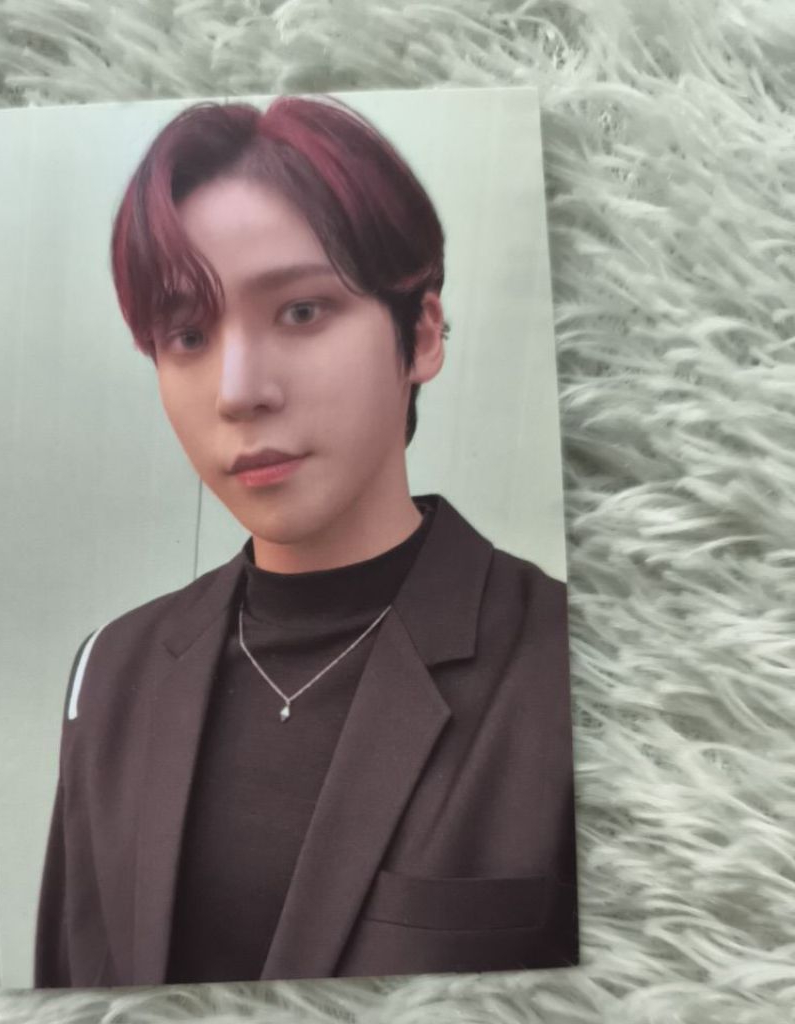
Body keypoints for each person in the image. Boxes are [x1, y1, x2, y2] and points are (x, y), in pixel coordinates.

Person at [33, 94, 579, 987]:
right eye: (188, 334)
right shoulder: (112, 671)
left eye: (300, 312)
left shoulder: (566, 666)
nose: (237, 390)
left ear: (421, 335)